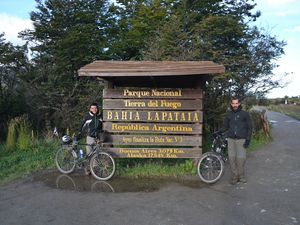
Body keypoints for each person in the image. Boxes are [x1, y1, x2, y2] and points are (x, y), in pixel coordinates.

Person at [220, 97, 252, 184]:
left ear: (239, 104)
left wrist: (248, 139)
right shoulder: (228, 114)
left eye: (236, 103)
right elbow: (225, 126)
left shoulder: (244, 114)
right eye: (233, 103)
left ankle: (241, 176)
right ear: (231, 104)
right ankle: (235, 176)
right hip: (230, 139)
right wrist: (219, 131)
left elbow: (250, 127)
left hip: (241, 139)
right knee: (231, 159)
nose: (235, 105)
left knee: (241, 159)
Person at [76, 102, 103, 175]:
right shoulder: (87, 117)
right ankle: (87, 169)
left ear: (97, 108)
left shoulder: (101, 117)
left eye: (95, 108)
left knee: (96, 155)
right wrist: (78, 134)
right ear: (90, 109)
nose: (94, 109)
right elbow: (82, 126)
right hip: (90, 138)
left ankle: (95, 170)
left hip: (98, 138)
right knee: (89, 155)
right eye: (92, 108)